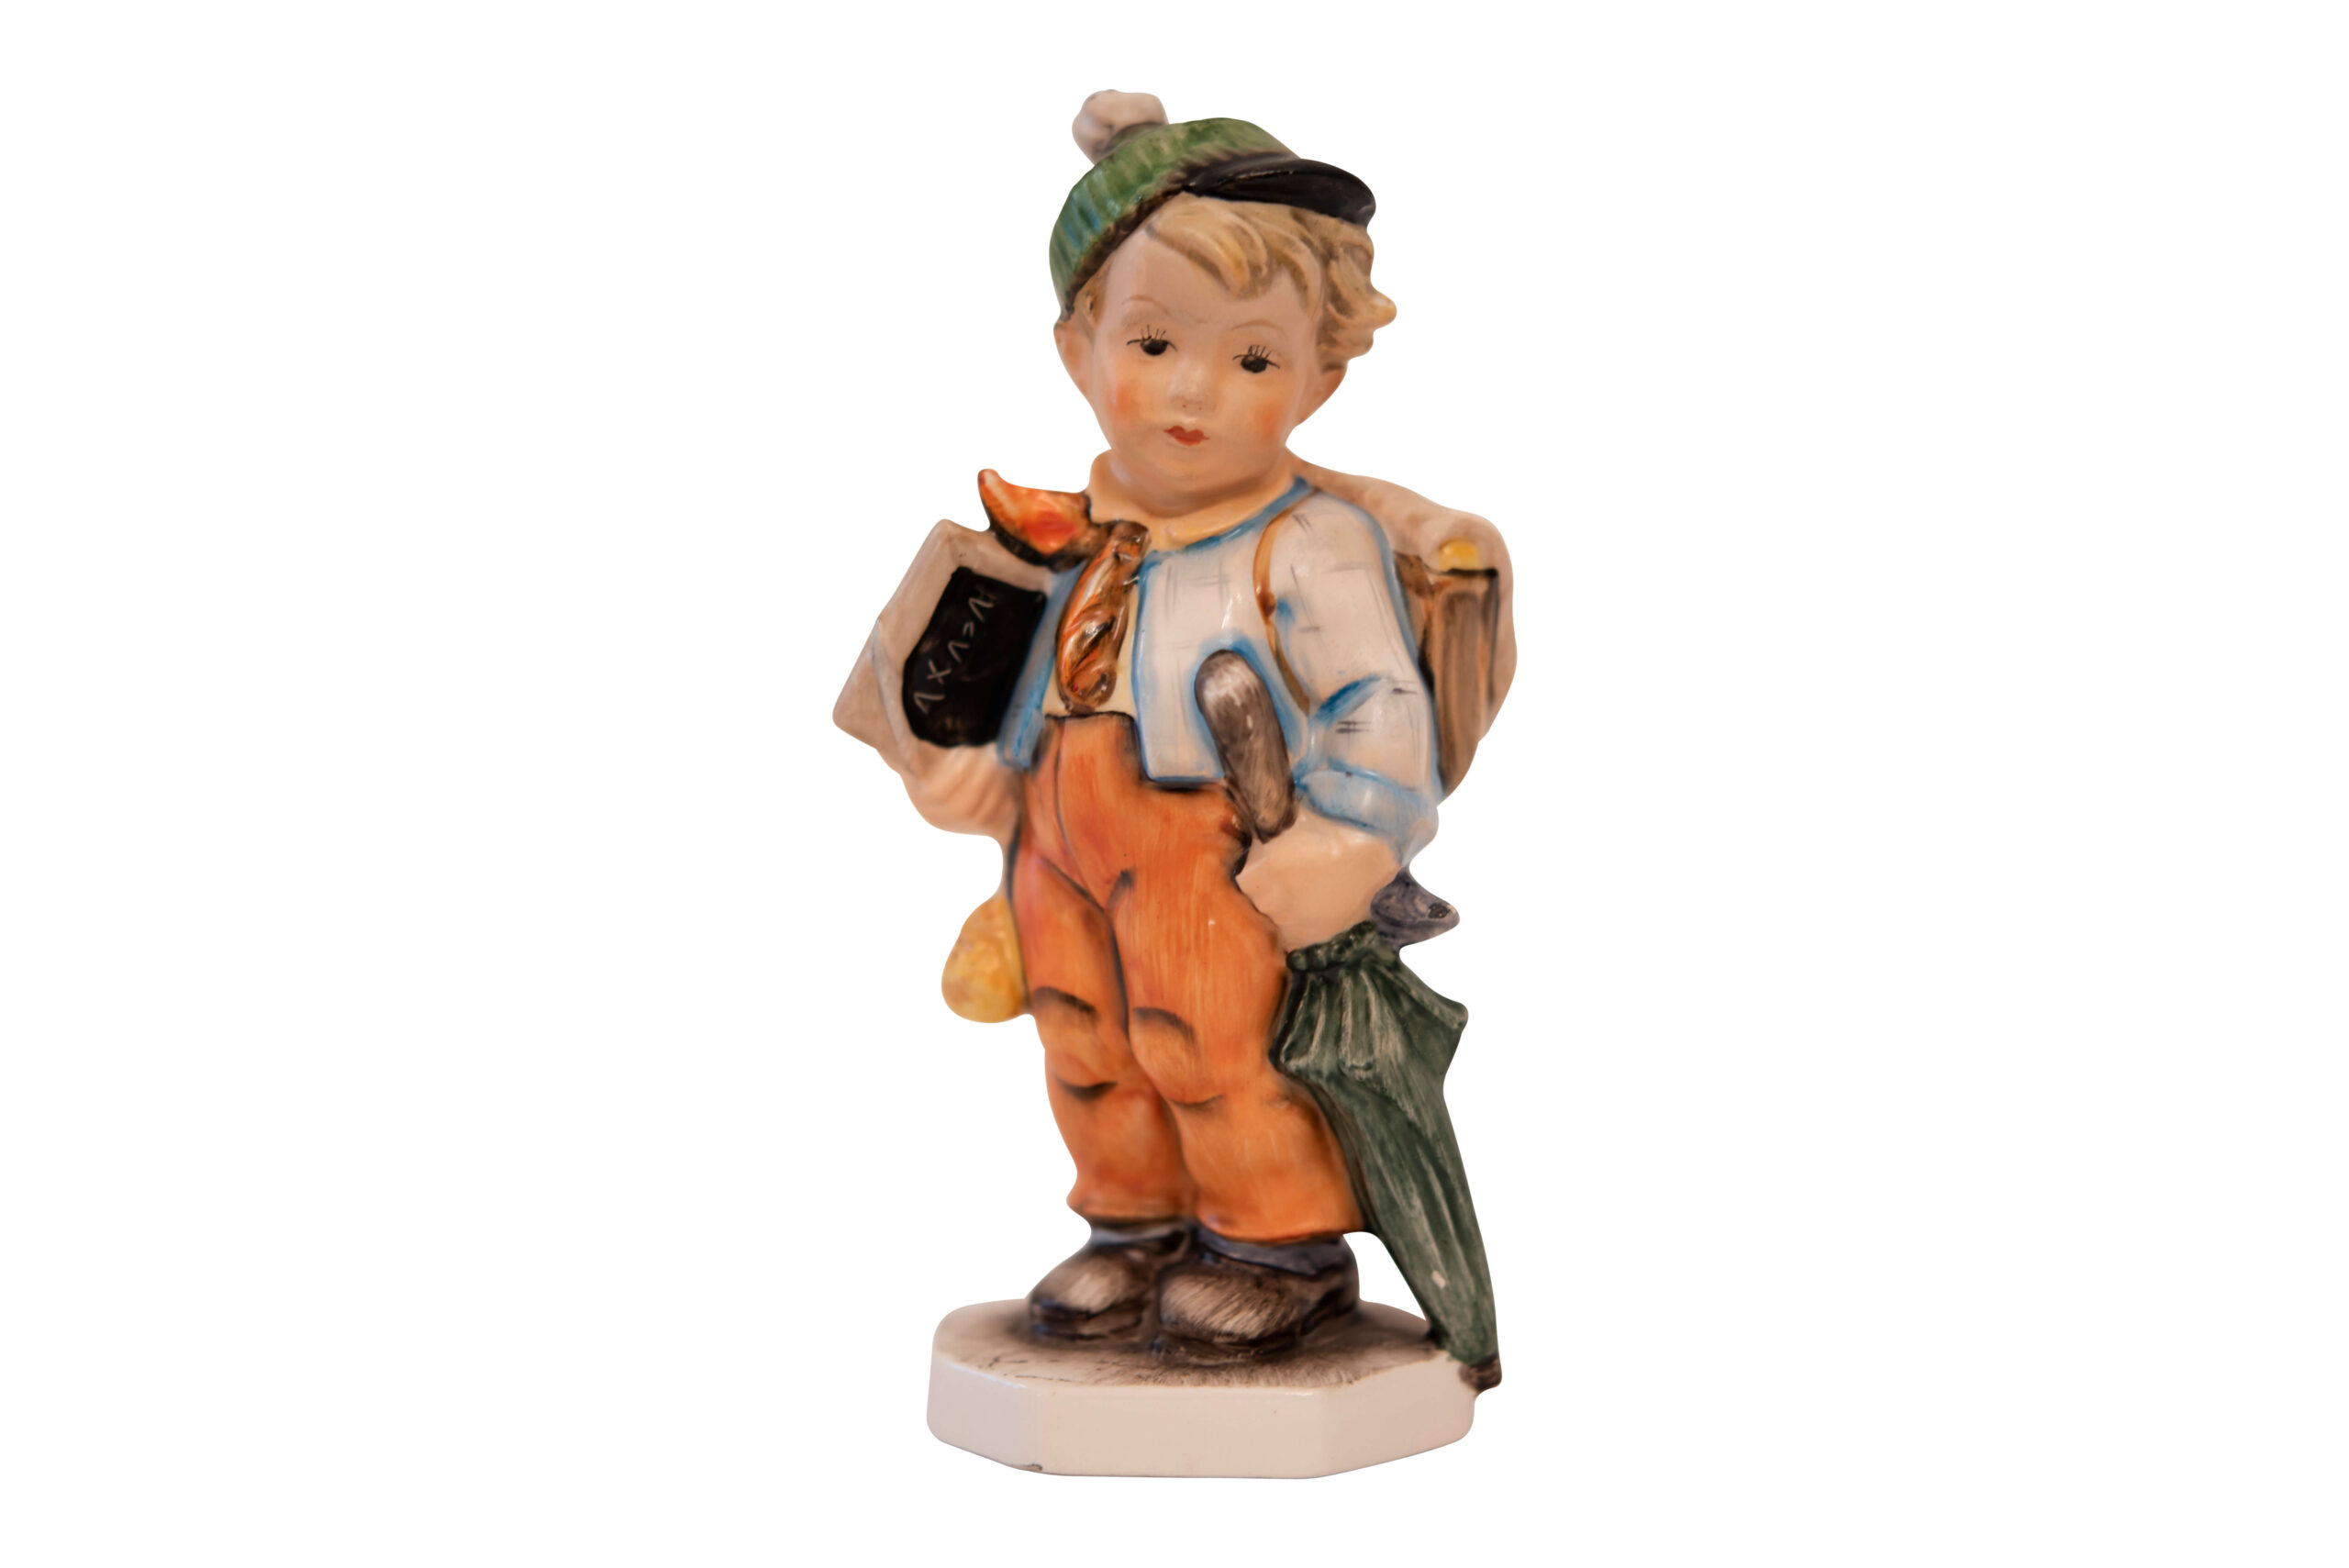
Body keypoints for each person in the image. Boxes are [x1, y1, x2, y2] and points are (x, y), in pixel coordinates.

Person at [848, 95, 1512, 1368]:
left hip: (1211, 844)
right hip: (1058, 830)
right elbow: (996, 680)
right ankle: (1134, 1218)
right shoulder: (1057, 534)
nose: (1195, 391)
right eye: (1153, 343)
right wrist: (965, 770)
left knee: (1208, 1040)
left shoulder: (1307, 541)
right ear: (1078, 347)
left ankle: (1273, 1241)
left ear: (1321, 375)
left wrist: (1347, 836)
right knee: (1084, 1032)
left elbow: (1378, 701)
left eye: (1255, 360)